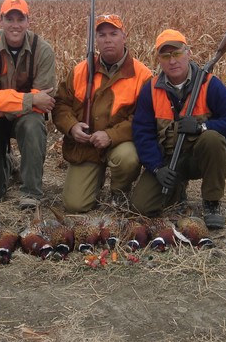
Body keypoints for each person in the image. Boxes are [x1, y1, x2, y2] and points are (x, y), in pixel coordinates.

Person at [130, 29, 226, 228]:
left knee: (212, 138)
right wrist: (157, 168)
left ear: (188, 53)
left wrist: (202, 126)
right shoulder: (150, 90)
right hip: (169, 161)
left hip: (198, 159)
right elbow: (142, 134)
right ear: (159, 59)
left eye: (177, 53)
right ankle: (178, 188)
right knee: (141, 207)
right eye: (165, 56)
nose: (172, 61)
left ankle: (211, 202)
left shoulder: (209, 84)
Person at [52, 14, 152, 213]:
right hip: (87, 148)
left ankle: (119, 193)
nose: (108, 39)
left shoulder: (143, 75)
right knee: (75, 205)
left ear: (124, 36)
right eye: (102, 35)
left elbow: (144, 119)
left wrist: (110, 135)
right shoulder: (80, 70)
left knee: (128, 158)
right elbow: (61, 104)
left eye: (114, 33)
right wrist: (72, 126)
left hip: (120, 143)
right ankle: (93, 185)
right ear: (95, 39)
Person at [0, 0, 56, 210]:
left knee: (33, 125)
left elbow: (44, 102)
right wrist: (30, 99)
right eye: (10, 19)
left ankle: (31, 194)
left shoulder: (43, 50)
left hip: (16, 118)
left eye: (21, 19)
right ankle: (9, 164)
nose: (15, 25)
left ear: (29, 21)